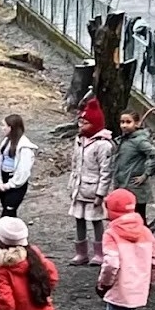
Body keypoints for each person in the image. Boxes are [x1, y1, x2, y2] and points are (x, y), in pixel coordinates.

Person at [68, 98, 114, 266]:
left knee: (96, 221)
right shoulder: (79, 140)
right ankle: (81, 253)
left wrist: (100, 193)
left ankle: (99, 252)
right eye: (80, 122)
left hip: (92, 190)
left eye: (85, 123)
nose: (81, 126)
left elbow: (105, 171)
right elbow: (74, 164)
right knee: (78, 219)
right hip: (79, 188)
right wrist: (71, 185)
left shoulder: (103, 145)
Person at [112, 110, 155, 223]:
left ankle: (143, 239)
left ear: (137, 123)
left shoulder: (139, 141)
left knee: (139, 219)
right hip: (123, 185)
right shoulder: (123, 140)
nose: (124, 125)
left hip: (135, 188)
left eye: (128, 122)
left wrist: (145, 175)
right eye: (122, 122)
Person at [0, 114, 38, 219]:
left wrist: (10, 184)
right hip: (4, 178)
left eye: (4, 126)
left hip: (16, 184)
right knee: (8, 210)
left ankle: (6, 233)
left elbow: (23, 171)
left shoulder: (24, 148)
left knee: (7, 213)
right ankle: (14, 234)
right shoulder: (6, 142)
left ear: (11, 127)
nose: (2, 128)